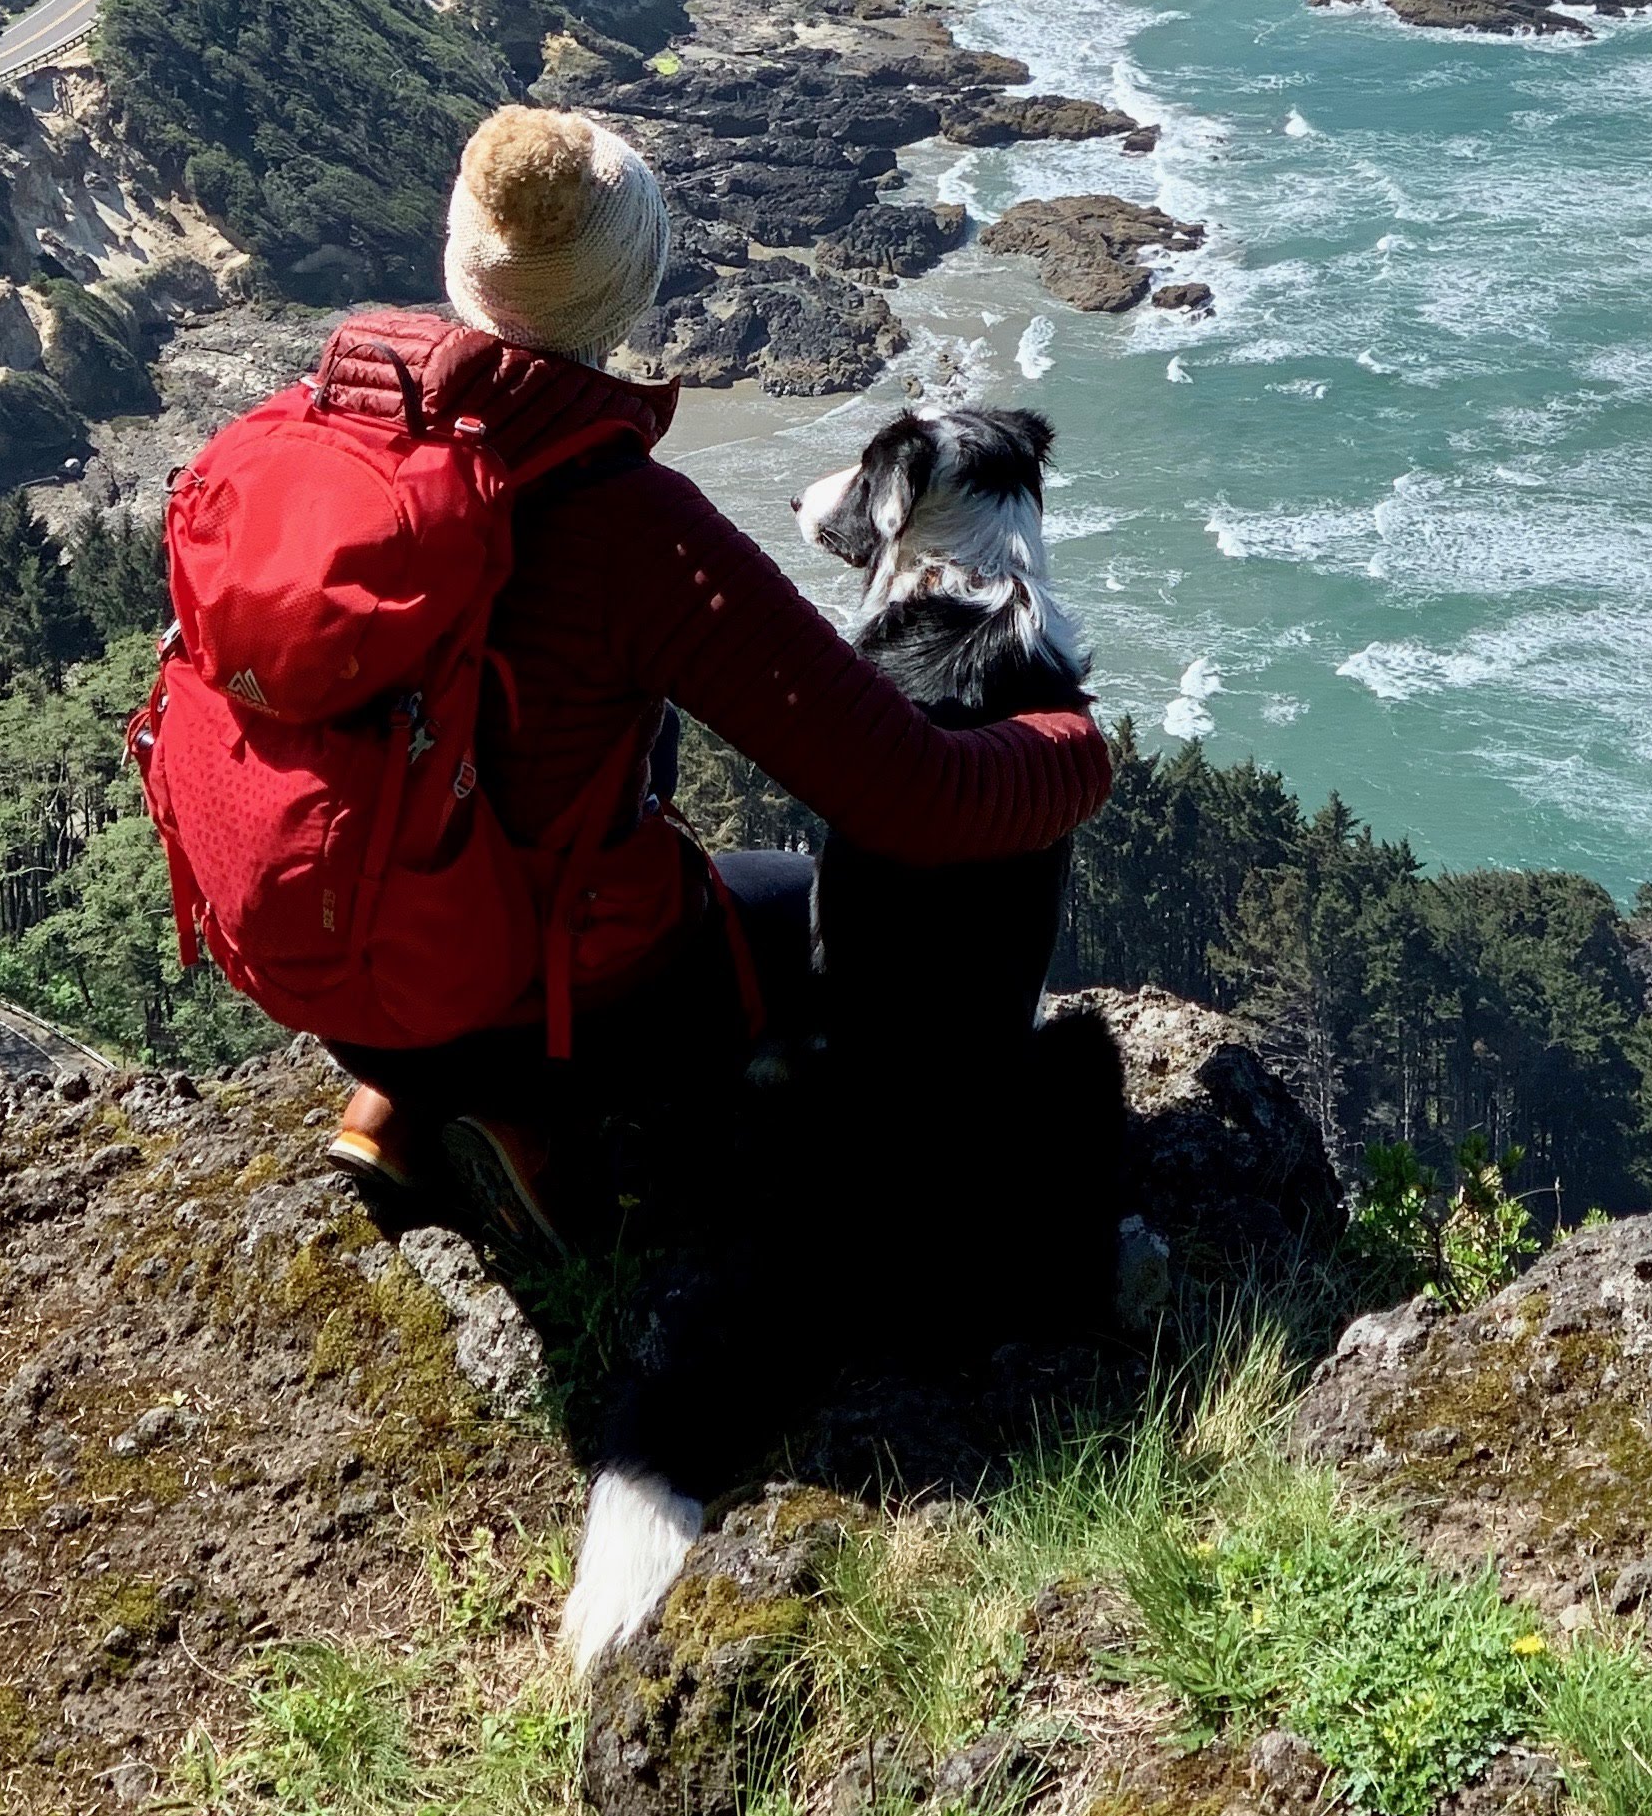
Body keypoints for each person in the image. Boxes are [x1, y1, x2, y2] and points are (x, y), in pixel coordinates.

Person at [311, 103, 1116, 1489]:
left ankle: (389, 1091)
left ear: (459, 259)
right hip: (523, 987)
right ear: (628, 294)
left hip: (334, 948)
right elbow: (911, 796)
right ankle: (527, 1115)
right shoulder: (634, 526)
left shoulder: (332, 421)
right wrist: (1070, 754)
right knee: (816, 921)